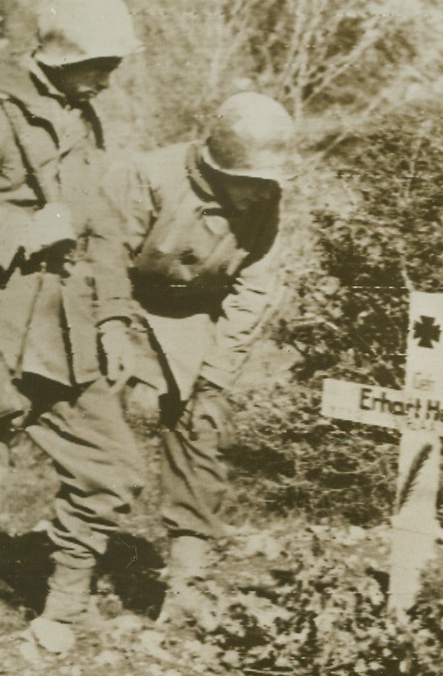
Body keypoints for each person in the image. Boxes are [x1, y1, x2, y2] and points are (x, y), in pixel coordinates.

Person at [0, 0, 143, 653]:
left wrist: (113, 321)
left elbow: (102, 232)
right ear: (61, 58)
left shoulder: (84, 119)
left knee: (113, 469)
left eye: (112, 65)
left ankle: (66, 606)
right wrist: (22, 231)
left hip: (68, 333)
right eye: (97, 65)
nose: (106, 77)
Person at [94, 92, 295, 625]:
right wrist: (124, 341)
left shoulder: (265, 199)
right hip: (115, 303)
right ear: (216, 165)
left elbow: (254, 291)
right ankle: (72, 567)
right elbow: (104, 258)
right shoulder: (145, 176)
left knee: (202, 428)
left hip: (190, 315)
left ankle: (187, 580)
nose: (258, 196)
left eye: (266, 184)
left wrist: (213, 383)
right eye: (249, 182)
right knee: (99, 431)